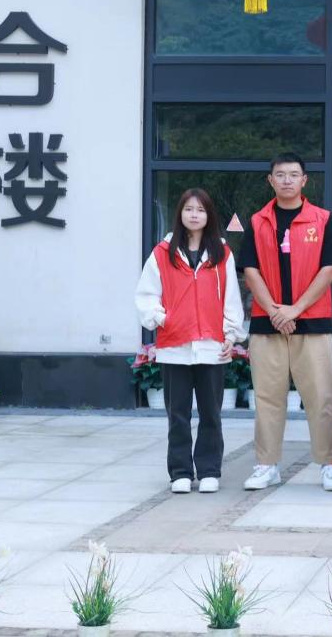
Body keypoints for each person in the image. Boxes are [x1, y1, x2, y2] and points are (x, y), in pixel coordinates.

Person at [236, 152, 332, 492]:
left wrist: (295, 310)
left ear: (304, 180)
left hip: (312, 322)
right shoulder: (258, 221)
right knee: (267, 399)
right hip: (266, 323)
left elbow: (329, 270)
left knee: (320, 398)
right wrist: (275, 310)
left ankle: (329, 465)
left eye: (293, 174)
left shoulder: (323, 219)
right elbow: (250, 270)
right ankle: (266, 465)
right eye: (280, 174)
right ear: (270, 180)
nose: (287, 180)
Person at [136, 189, 245, 494]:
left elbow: (231, 298)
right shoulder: (162, 253)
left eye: (200, 210)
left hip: (212, 347)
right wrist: (163, 319)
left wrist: (231, 334)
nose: (194, 215)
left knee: (211, 414)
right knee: (178, 415)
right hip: (175, 348)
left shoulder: (222, 253)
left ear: (209, 216)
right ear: (180, 214)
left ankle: (209, 470)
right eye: (189, 209)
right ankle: (180, 472)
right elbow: (146, 294)